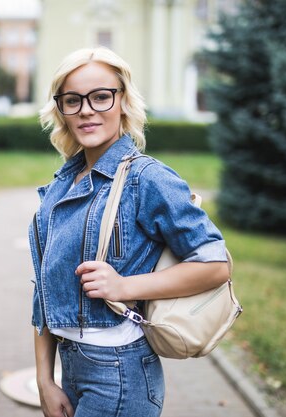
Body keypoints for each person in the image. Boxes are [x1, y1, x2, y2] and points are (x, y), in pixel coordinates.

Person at [29, 47, 230, 417]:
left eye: (101, 96)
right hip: (71, 369)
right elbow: (43, 290)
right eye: (72, 100)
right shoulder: (61, 186)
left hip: (120, 373)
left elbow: (215, 265)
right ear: (61, 110)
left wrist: (124, 287)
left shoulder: (146, 178)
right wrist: (45, 379)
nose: (87, 110)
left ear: (122, 100)